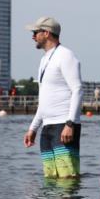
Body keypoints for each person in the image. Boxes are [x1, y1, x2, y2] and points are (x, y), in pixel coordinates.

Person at [22, 17, 83, 179]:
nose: (33, 36)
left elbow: (77, 89)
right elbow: (44, 99)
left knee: (67, 178)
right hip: (47, 127)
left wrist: (70, 123)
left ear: (47, 33)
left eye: (36, 32)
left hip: (64, 125)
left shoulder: (66, 55)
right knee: (50, 179)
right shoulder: (44, 60)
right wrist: (33, 128)